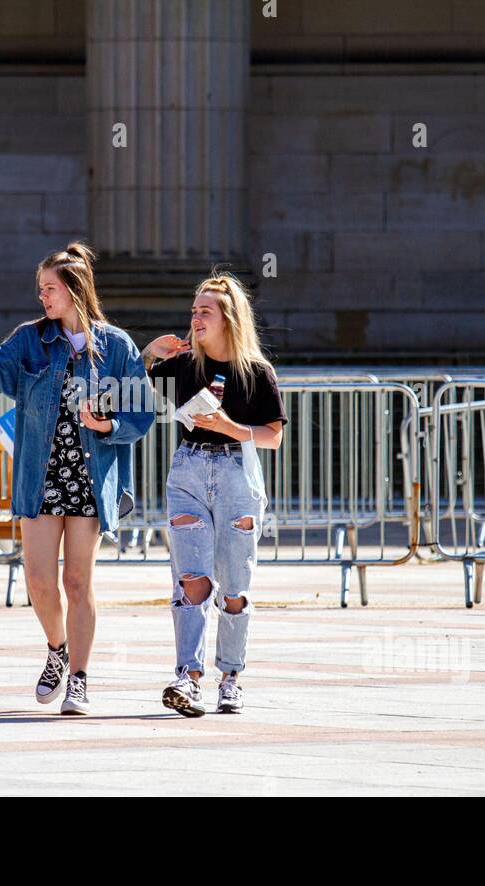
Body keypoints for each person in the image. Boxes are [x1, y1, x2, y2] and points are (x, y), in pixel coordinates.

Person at [0, 243, 155, 715]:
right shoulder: (31, 339)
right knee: (37, 579)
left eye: (50, 288)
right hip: (41, 475)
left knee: (78, 581)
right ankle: (58, 648)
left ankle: (79, 680)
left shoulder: (117, 347)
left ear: (76, 290)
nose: (43, 298)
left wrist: (108, 426)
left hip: (91, 479)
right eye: (40, 290)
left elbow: (143, 413)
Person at [142, 272, 287, 716]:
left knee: (234, 587)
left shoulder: (257, 372)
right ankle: (188, 676)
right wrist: (150, 353)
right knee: (191, 579)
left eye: (205, 311)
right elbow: (129, 378)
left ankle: (231, 677)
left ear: (229, 318)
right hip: (188, 468)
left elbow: (273, 436)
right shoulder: (185, 365)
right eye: (193, 310)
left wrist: (230, 427)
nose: (196, 317)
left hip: (236, 473)